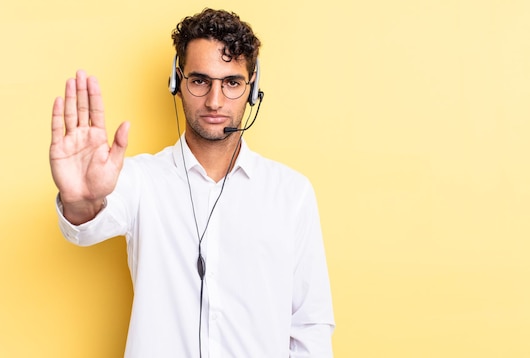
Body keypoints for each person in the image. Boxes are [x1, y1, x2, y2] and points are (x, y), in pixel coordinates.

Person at [49, 8, 335, 358]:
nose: (215, 101)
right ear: (177, 82)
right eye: (200, 81)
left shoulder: (291, 193)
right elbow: (85, 229)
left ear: (253, 87)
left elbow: (310, 325)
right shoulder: (139, 180)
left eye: (231, 83)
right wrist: (80, 201)